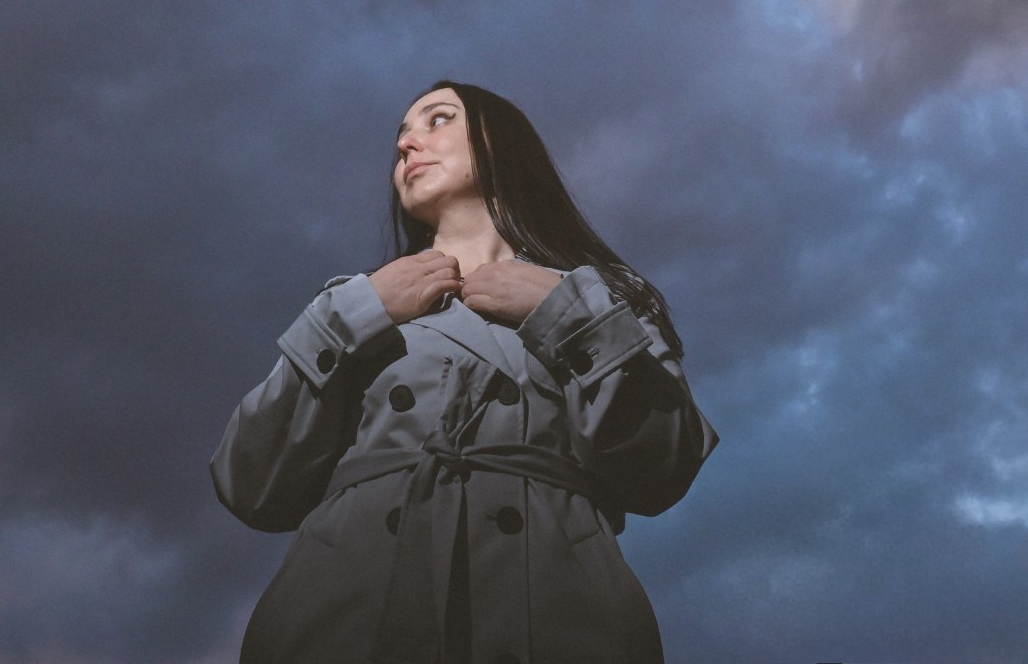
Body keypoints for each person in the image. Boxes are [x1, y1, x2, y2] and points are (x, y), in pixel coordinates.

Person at [212, 80, 719, 664]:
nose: (406, 145)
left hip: (557, 618)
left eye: (437, 120)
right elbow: (250, 484)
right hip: (344, 614)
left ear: (501, 146)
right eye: (401, 135)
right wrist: (349, 318)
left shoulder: (600, 298)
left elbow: (662, 469)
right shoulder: (355, 302)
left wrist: (569, 315)